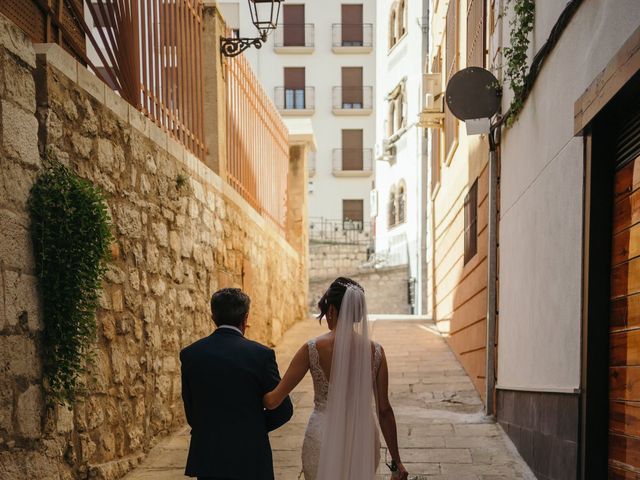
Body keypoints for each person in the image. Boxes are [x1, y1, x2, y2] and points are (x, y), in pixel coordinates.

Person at [263, 277, 409, 480]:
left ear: (331, 310)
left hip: (322, 438)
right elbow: (384, 410)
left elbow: (273, 400)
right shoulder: (376, 352)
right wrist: (397, 462)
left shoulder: (312, 348)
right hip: (363, 440)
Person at [180, 288, 293, 480]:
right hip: (250, 455)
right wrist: (250, 428)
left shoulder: (191, 354)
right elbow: (283, 410)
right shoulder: (261, 355)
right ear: (246, 318)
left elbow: (191, 408)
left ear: (212, 316)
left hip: (209, 454)